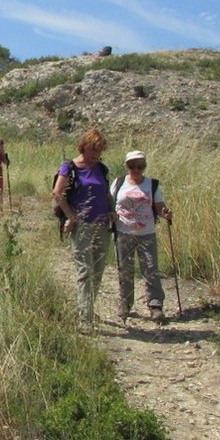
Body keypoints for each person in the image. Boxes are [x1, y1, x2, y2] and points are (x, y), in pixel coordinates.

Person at [52, 128, 114, 328]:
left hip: (102, 223)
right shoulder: (70, 167)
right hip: (83, 225)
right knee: (85, 270)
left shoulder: (101, 168)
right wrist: (71, 217)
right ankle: (84, 318)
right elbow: (57, 193)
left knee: (98, 269)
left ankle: (87, 308)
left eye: (99, 150)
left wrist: (112, 211)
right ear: (84, 146)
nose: (96, 154)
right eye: (93, 149)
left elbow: (106, 194)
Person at [112, 150, 173, 324]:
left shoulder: (152, 185)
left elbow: (160, 206)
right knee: (125, 269)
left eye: (140, 166)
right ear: (126, 166)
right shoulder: (119, 183)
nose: (136, 169)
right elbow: (111, 202)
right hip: (123, 232)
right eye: (132, 166)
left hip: (147, 233)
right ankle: (125, 303)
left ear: (145, 166)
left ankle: (155, 305)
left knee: (151, 269)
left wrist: (166, 214)